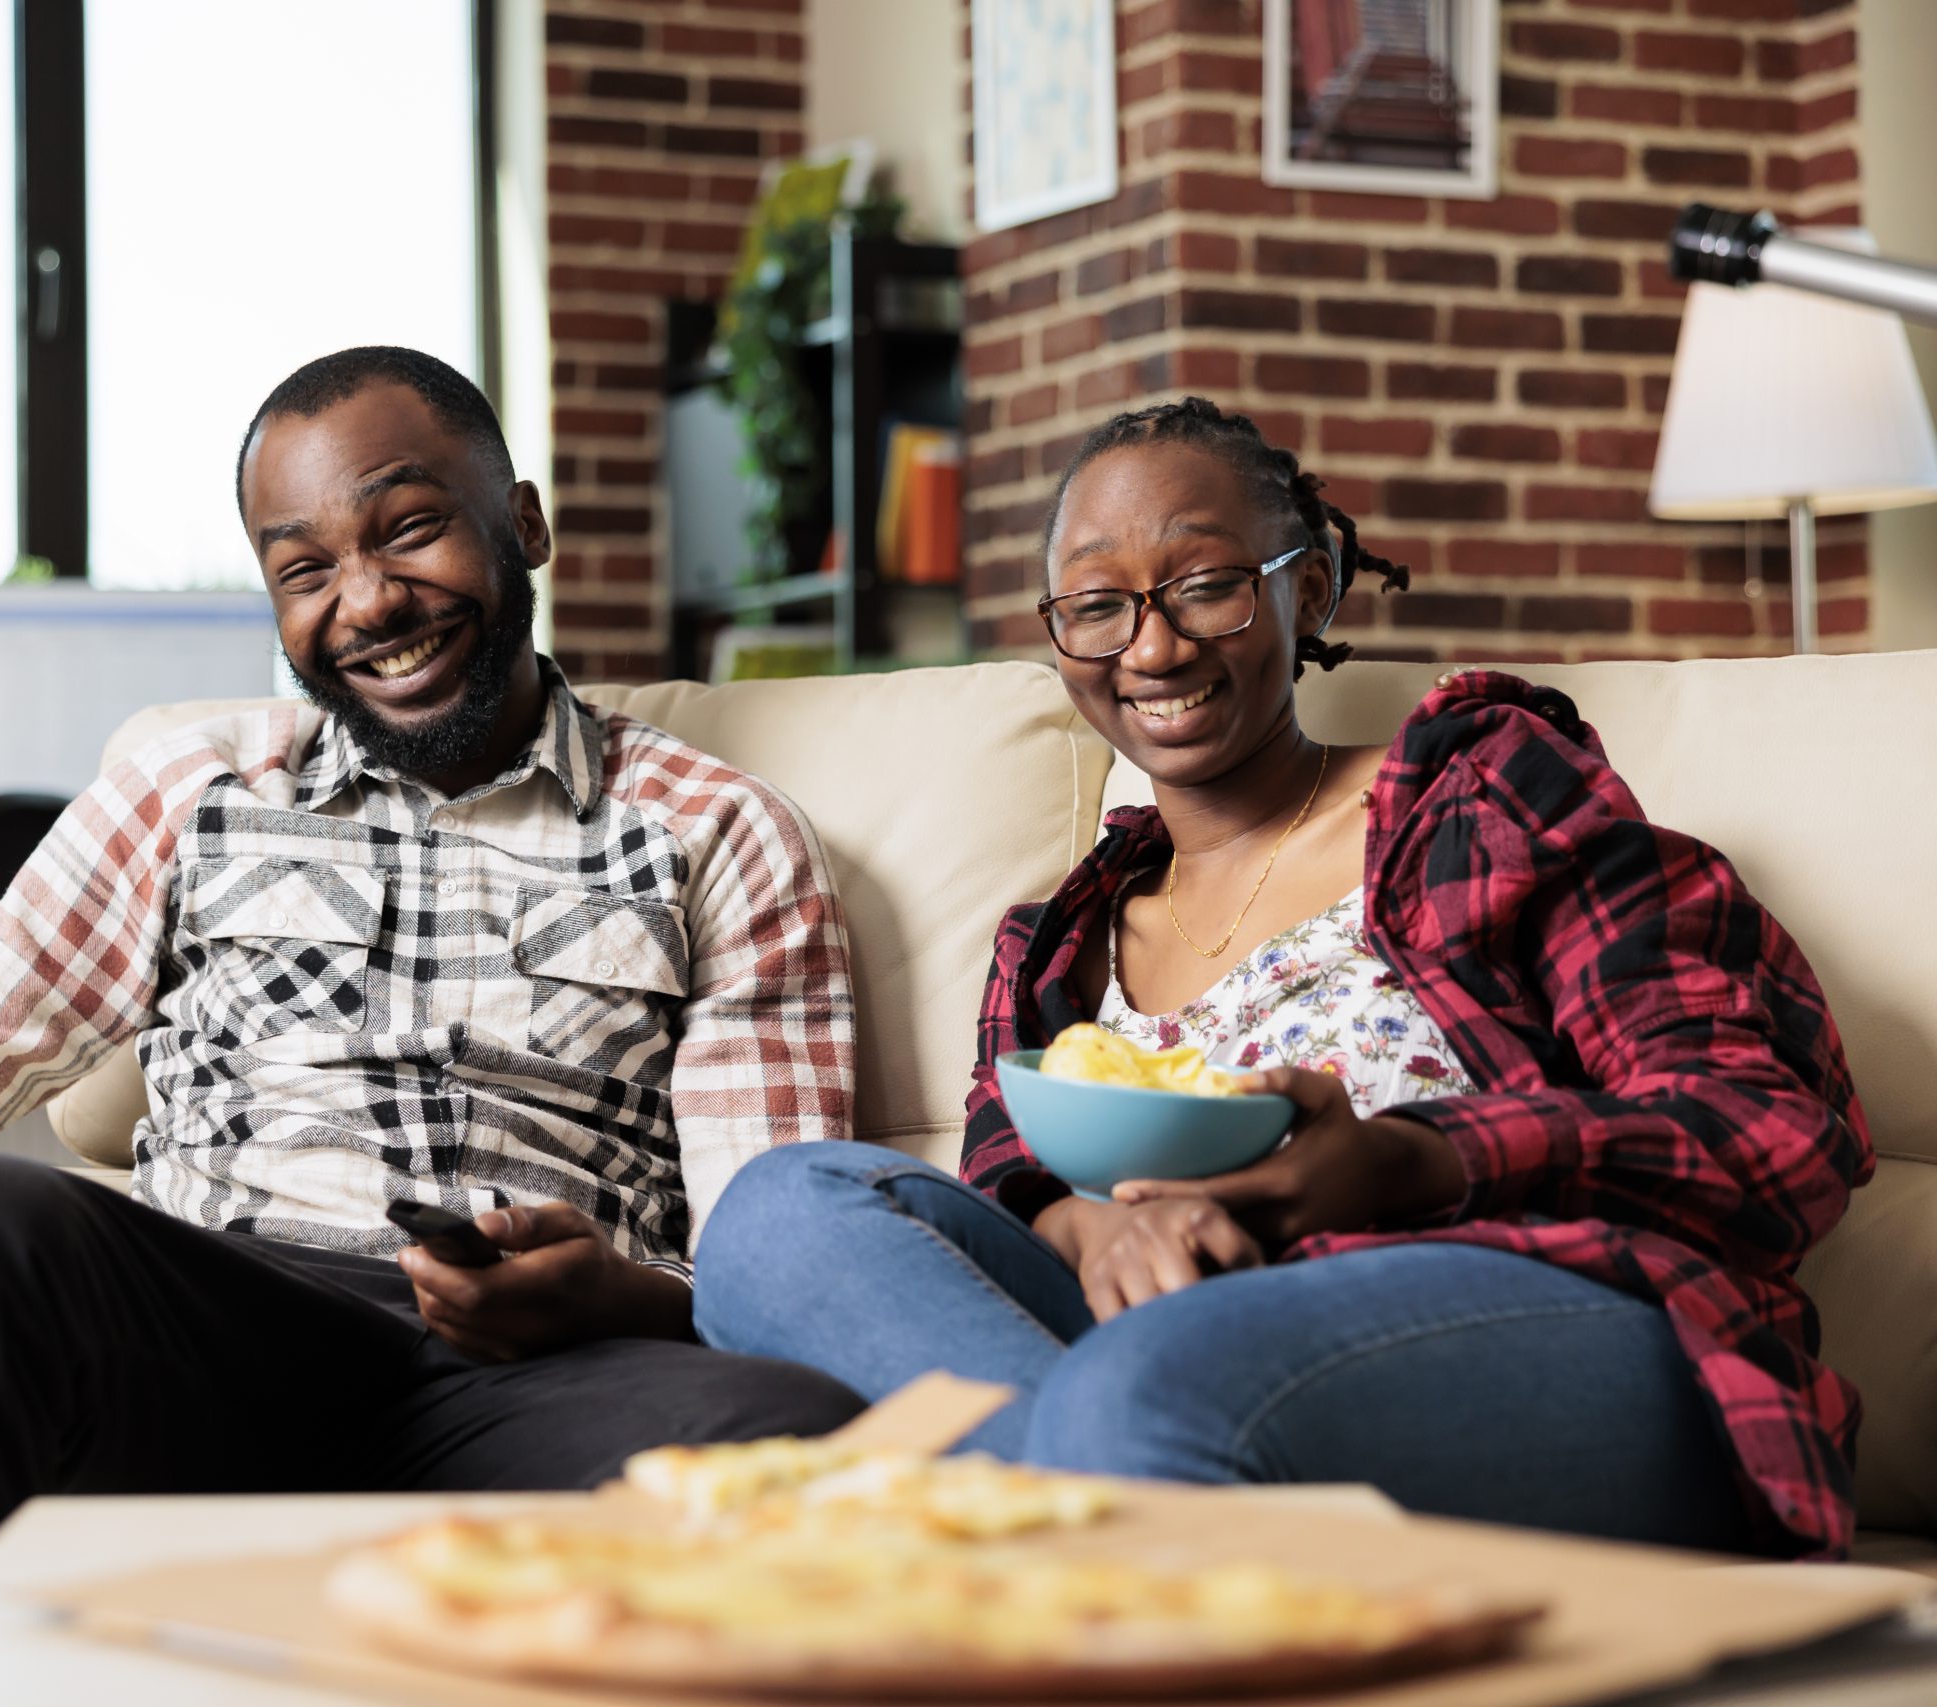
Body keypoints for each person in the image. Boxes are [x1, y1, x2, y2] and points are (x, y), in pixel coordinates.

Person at [0, 346, 863, 1699]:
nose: (369, 600)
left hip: (540, 1373)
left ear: (526, 522)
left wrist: (621, 1294)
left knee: (786, 1423)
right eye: (306, 569)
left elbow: (772, 1250)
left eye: (411, 527)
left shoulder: (714, 831)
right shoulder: (192, 784)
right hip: (220, 1332)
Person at [693, 396, 1871, 1560]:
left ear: (1303, 589)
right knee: (782, 1216)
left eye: (1203, 585)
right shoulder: (1054, 946)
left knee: (1147, 1385)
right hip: (1161, 1344)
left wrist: (1412, 1159)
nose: (1150, 649)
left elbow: (1768, 1133)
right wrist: (1081, 1234)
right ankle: (1139, 1537)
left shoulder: (1483, 797)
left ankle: (1070, 1524)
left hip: (1531, 1311)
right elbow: (1008, 1178)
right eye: (1096, 607)